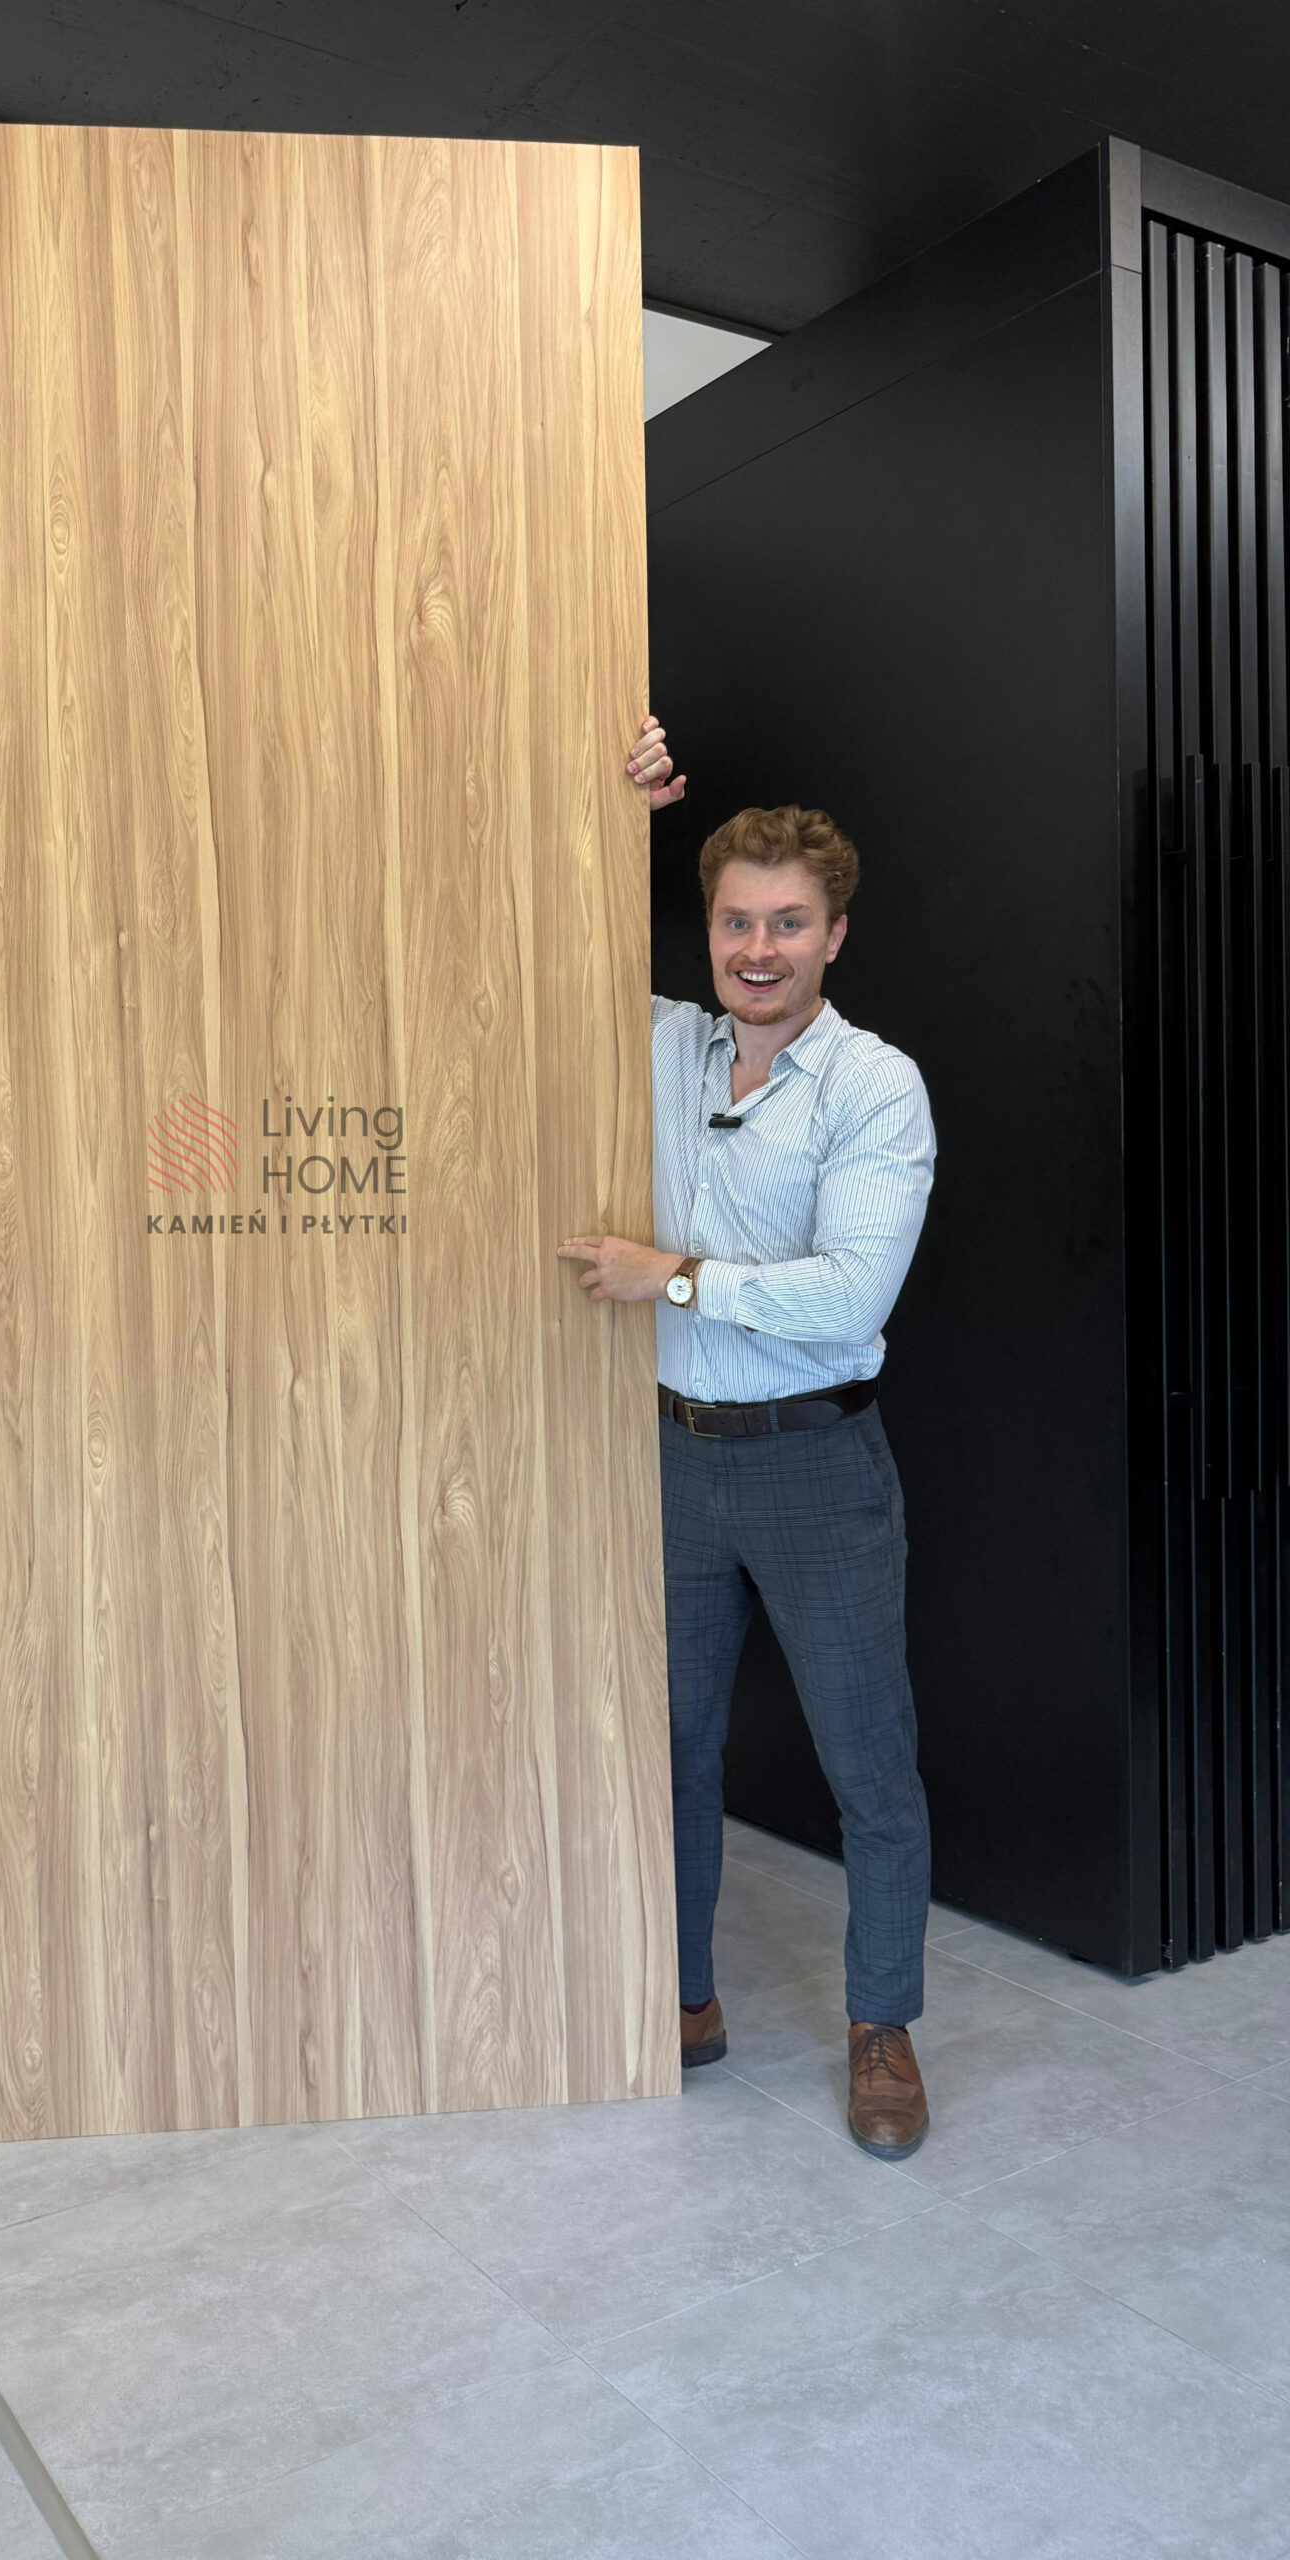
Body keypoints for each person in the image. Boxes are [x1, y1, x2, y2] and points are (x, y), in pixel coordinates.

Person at [558, 718, 937, 2160]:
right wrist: (616, 806)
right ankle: (685, 1997)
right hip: (671, 1461)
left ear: (834, 935)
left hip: (814, 1465)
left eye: (787, 924)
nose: (758, 948)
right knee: (672, 1753)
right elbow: (546, 938)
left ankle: (882, 2027)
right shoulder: (664, 1046)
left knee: (868, 1766)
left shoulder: (875, 1087)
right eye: (735, 921)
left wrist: (675, 1279)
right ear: (708, 929)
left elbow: (849, 1299)